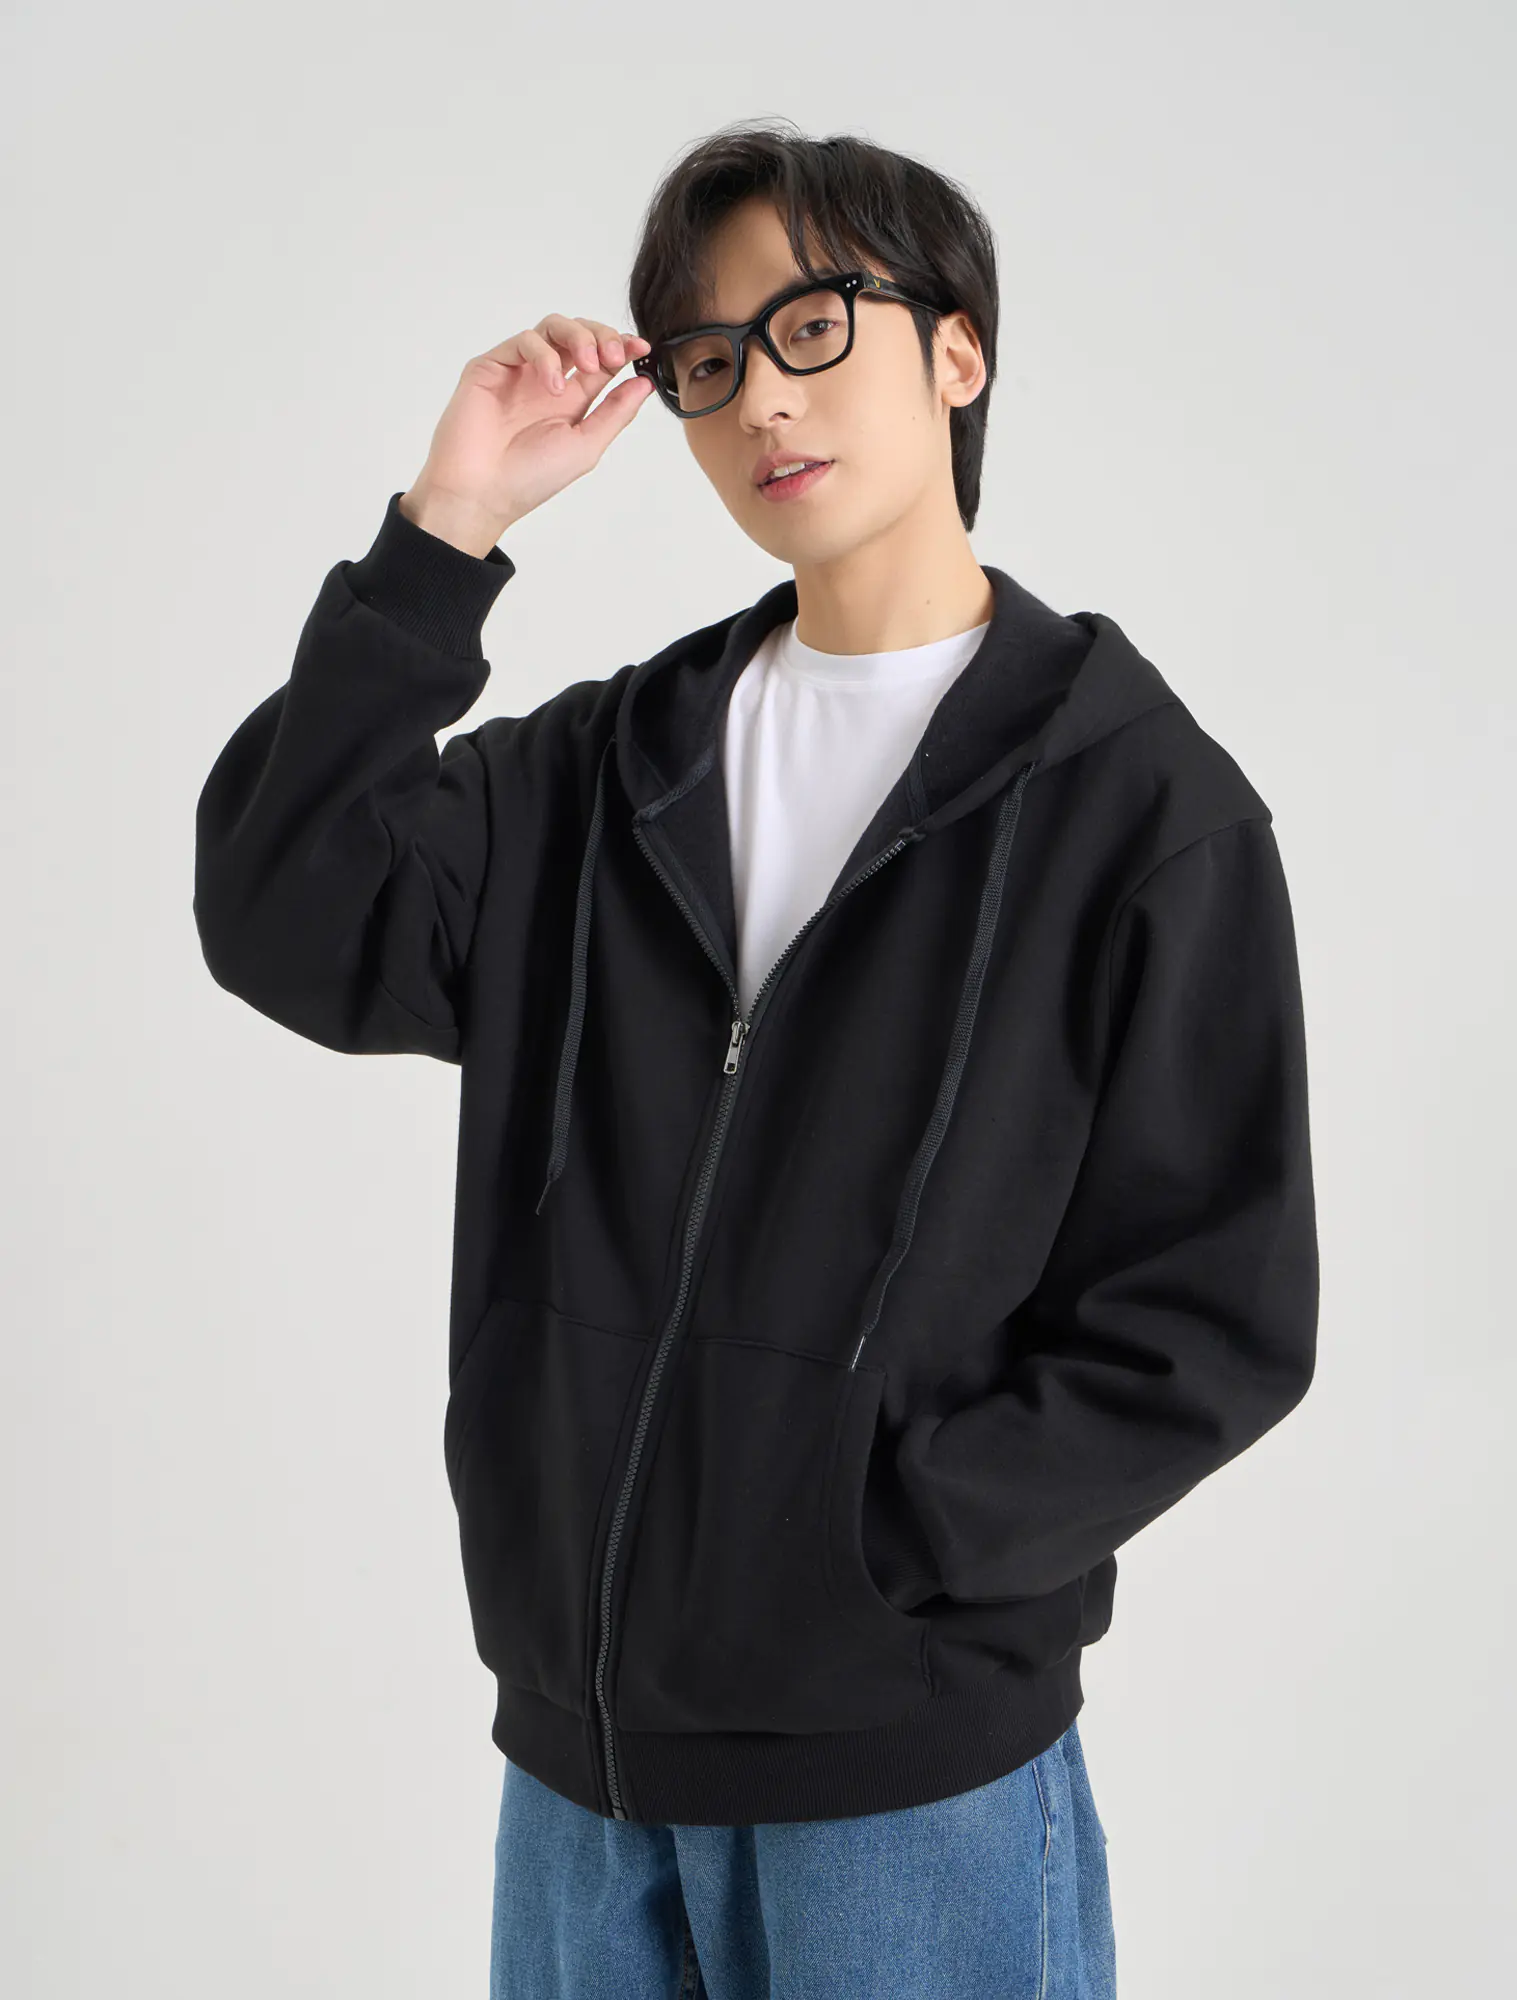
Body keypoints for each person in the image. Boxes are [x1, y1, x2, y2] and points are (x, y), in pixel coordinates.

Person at [194, 120, 1319, 1999]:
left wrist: (885, 1535)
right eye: (709, 364)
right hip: (580, 1787)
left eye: (810, 327)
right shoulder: (601, 771)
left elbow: (1216, 1313)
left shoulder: (1142, 813)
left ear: (955, 351)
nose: (760, 400)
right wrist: (443, 535)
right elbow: (283, 912)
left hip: (909, 1794)